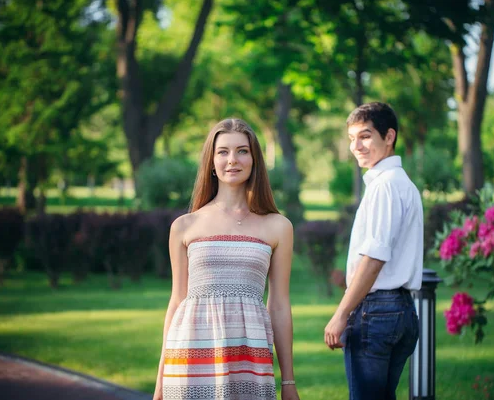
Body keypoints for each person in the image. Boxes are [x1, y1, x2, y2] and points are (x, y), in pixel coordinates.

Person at [153, 119, 299, 400]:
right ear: (211, 161)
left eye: (242, 151)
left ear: (255, 159)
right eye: (223, 152)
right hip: (189, 361)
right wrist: (160, 381)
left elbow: (279, 304)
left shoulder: (278, 226)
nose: (232, 160)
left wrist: (288, 382)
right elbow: (177, 301)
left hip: (249, 359)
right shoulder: (185, 226)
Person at [324, 102, 423, 400]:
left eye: (365, 136)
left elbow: (375, 258)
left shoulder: (385, 186)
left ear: (389, 136)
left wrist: (341, 314)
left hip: (377, 311)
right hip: (402, 311)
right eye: (352, 138)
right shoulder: (402, 184)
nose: (356, 146)